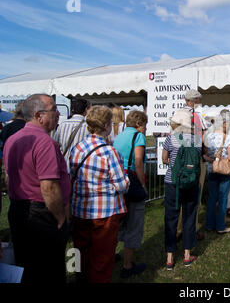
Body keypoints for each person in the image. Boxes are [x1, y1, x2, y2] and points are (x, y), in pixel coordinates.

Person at [4, 94, 70, 283]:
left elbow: (9, 178)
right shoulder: (44, 142)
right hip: (41, 215)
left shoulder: (13, 139)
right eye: (54, 109)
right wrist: (59, 218)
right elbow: (49, 187)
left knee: (28, 268)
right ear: (39, 115)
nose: (58, 114)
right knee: (49, 270)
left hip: (20, 210)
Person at [70, 105, 129, 283]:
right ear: (105, 126)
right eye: (110, 122)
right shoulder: (110, 152)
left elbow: (72, 175)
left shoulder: (78, 148)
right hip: (104, 213)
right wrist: (123, 181)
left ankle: (79, 279)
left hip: (79, 209)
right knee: (102, 258)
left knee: (79, 253)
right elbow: (121, 185)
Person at [162, 109, 202, 269]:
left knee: (171, 217)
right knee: (189, 216)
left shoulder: (170, 139)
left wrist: (173, 164)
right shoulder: (197, 140)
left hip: (172, 182)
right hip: (191, 182)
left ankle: (170, 258)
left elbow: (164, 159)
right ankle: (187, 255)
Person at [113, 110, 148, 278]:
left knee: (120, 222)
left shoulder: (118, 137)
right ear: (139, 124)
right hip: (133, 182)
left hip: (119, 182)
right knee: (134, 223)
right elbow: (138, 161)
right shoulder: (138, 136)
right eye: (144, 125)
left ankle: (112, 256)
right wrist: (142, 183)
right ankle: (128, 265)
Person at [177, 89, 208, 241]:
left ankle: (178, 229)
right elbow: (203, 139)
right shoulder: (196, 116)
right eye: (198, 100)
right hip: (194, 160)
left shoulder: (177, 114)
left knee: (180, 196)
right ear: (194, 100)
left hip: (180, 160)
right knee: (195, 196)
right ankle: (191, 229)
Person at [203, 111, 230, 234]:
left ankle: (209, 224)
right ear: (223, 124)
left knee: (212, 198)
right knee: (222, 198)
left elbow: (205, 154)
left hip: (212, 169)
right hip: (223, 171)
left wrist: (212, 160)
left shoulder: (208, 137)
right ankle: (220, 226)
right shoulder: (227, 138)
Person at [53, 98, 91, 169]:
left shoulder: (62, 125)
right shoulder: (89, 127)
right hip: (81, 166)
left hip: (64, 165)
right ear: (85, 110)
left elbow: (55, 144)